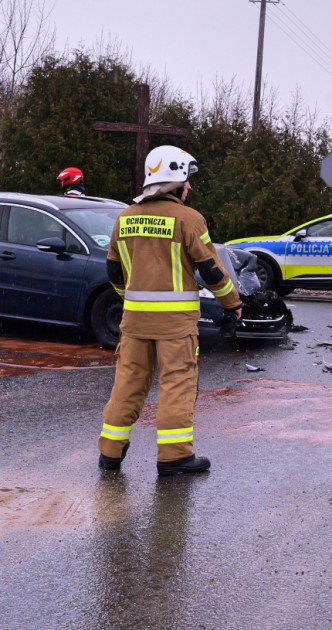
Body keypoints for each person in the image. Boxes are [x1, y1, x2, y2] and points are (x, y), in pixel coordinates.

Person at [98, 145, 241, 476]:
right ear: (175, 181)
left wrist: (132, 299)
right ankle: (174, 457)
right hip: (176, 326)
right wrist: (232, 304)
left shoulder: (125, 218)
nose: (189, 186)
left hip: (134, 323)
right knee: (177, 384)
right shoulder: (188, 219)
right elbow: (212, 271)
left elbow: (114, 272)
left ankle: (110, 452)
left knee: (128, 384)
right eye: (187, 180)